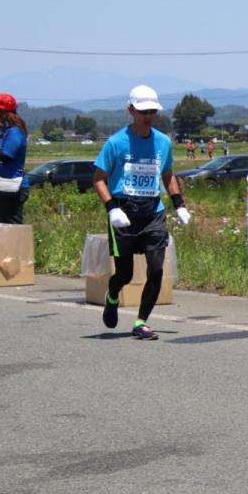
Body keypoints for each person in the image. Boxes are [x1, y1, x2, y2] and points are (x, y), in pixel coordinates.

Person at [92, 85, 191, 340]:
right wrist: (111, 208)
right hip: (123, 212)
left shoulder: (163, 142)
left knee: (156, 270)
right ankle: (112, 296)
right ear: (131, 110)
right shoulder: (116, 142)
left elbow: (167, 175)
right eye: (143, 111)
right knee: (124, 273)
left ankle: (141, 321)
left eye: (152, 112)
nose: (148, 116)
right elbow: (99, 179)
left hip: (153, 212)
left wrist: (178, 203)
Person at [0, 93, 29, 224]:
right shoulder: (5, 132)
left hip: (13, 184)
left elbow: (6, 156)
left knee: (12, 225)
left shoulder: (15, 132)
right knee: (2, 223)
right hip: (2, 183)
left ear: (2, 112)